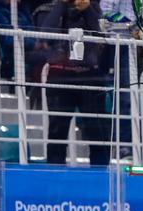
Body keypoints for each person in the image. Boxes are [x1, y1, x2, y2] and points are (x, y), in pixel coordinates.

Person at [34, 0, 111, 166]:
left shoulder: (94, 9)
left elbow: (101, 37)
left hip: (90, 76)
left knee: (98, 131)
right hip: (59, 75)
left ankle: (102, 175)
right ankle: (55, 174)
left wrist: (88, 9)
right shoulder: (45, 8)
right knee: (57, 130)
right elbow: (44, 37)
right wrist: (62, 5)